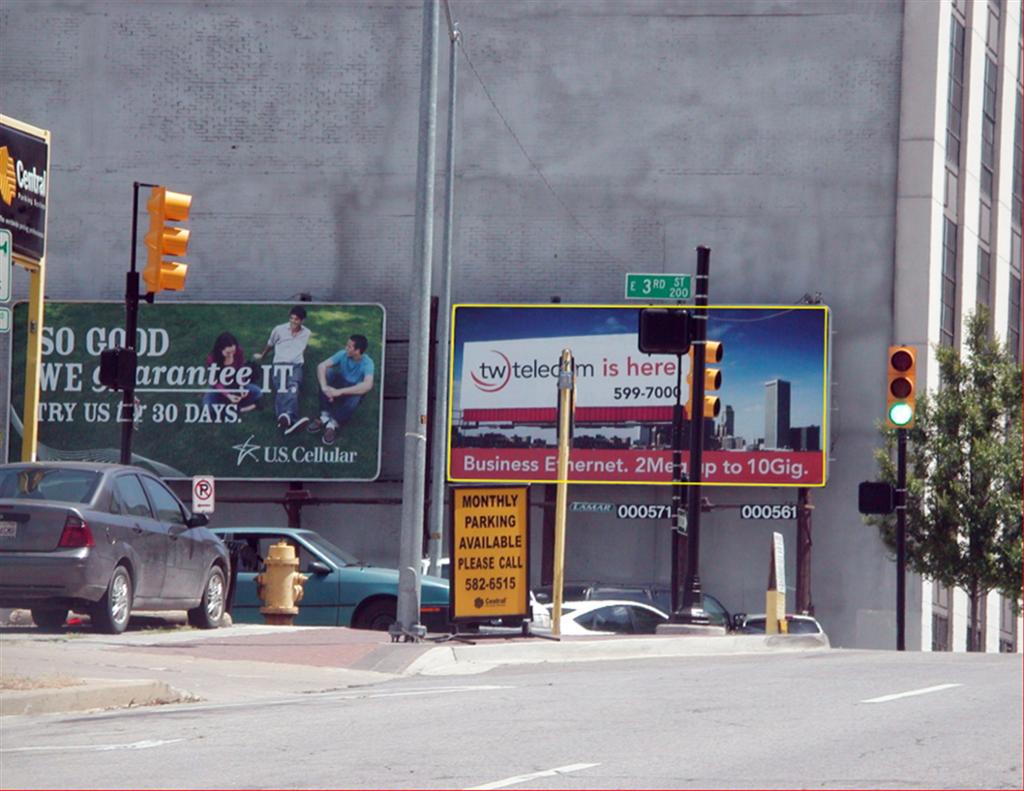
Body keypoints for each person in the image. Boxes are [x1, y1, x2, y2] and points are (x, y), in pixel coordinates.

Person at [306, 334, 374, 445]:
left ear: (358, 351)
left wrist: (339, 392)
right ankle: (324, 416)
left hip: (351, 390)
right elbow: (321, 366)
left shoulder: (368, 363)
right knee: (327, 373)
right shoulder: (343, 354)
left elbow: (368, 385)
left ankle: (333, 424)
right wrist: (325, 387)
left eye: (349, 347)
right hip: (341, 382)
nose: (346, 348)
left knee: (359, 392)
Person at [253, 305, 312, 434]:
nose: (293, 322)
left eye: (296, 319)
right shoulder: (279, 330)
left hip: (296, 365)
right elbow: (270, 344)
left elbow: (302, 348)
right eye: (291, 318)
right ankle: (290, 418)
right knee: (281, 387)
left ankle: (284, 418)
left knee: (293, 386)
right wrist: (262, 356)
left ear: (302, 321)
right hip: (279, 363)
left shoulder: (307, 333)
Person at [203, 332, 263, 413]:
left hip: (235, 382)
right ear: (220, 349)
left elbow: (241, 370)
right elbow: (215, 382)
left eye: (233, 352)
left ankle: (233, 407)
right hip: (220, 386)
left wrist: (241, 386)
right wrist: (228, 395)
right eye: (228, 353)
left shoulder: (239, 351)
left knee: (258, 392)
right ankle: (238, 408)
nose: (231, 355)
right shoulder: (212, 359)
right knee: (208, 406)